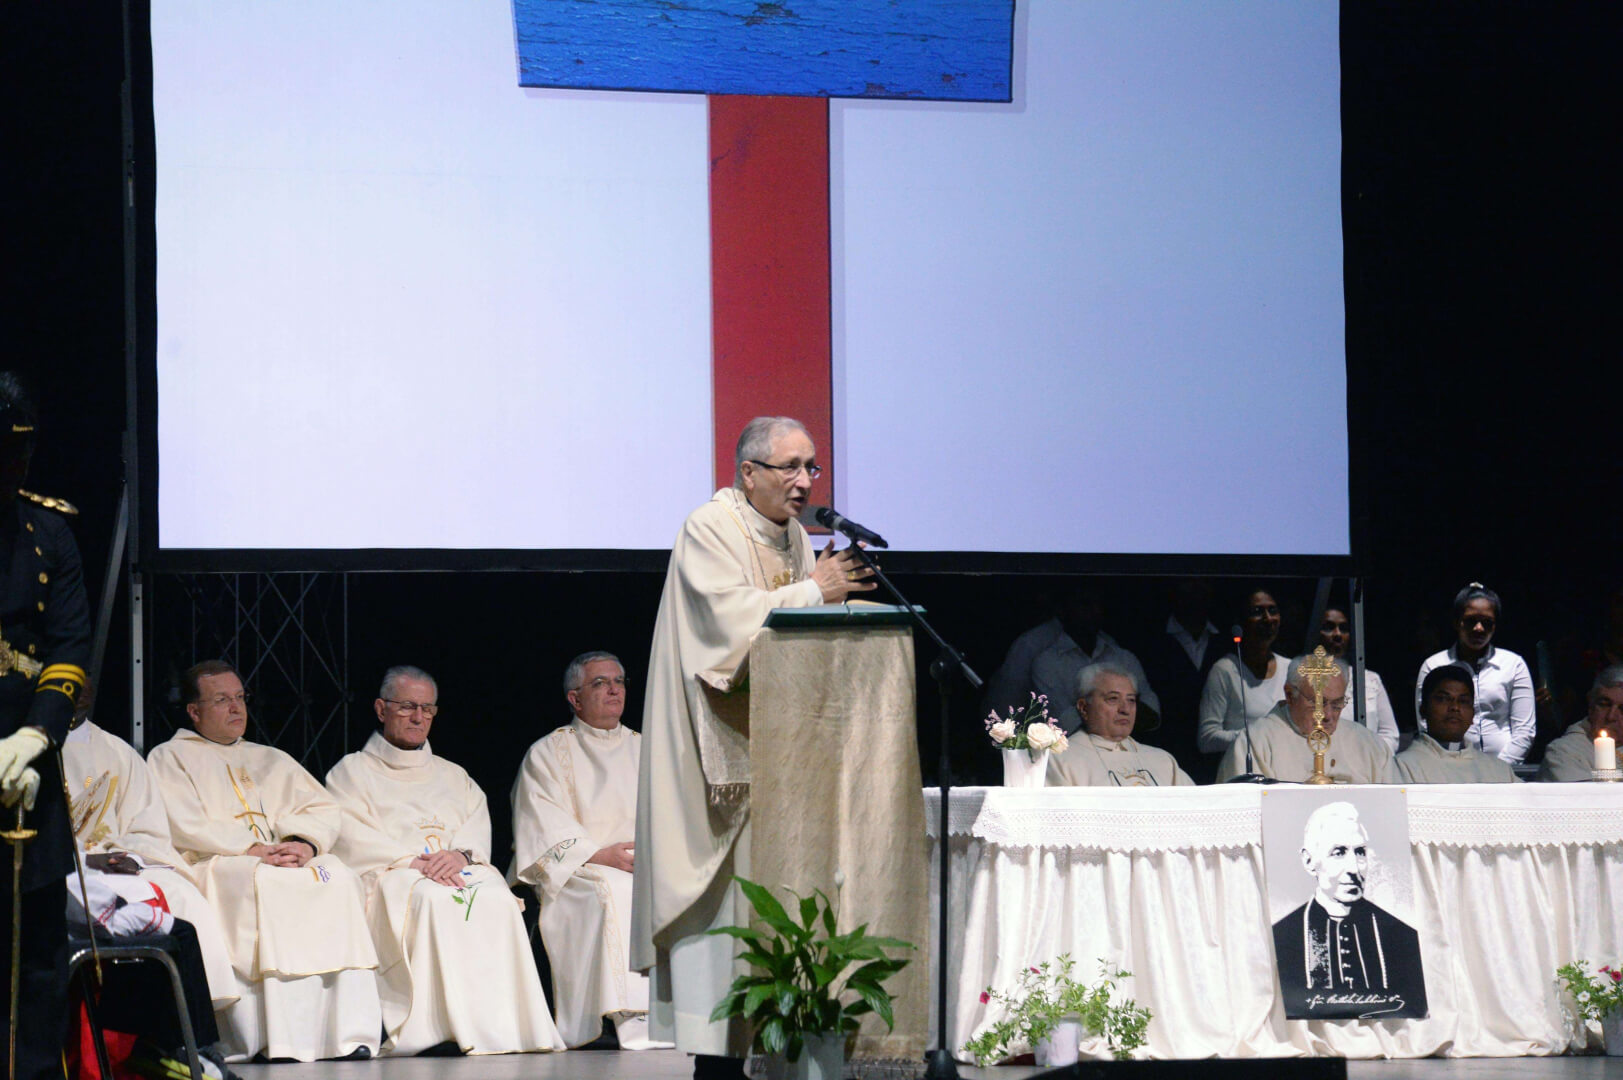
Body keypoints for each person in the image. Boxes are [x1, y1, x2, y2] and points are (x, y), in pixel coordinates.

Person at [630, 416, 875, 1078]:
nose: (804, 482)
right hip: (715, 748)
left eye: (810, 467)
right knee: (725, 910)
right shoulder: (709, 527)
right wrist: (816, 590)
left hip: (779, 748)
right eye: (789, 467)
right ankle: (715, 1059)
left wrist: (827, 601)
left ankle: (777, 1045)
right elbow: (723, 623)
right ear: (748, 472)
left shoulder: (794, 535)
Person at [147, 660, 381, 1062]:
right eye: (222, 700)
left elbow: (322, 808)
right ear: (194, 711)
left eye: (240, 697)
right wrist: (251, 849)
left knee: (337, 876)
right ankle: (278, 1038)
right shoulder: (169, 758)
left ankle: (345, 1034)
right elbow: (181, 823)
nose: (236, 707)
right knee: (268, 882)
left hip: (281, 855)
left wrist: (301, 843)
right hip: (220, 861)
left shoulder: (270, 758)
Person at [325, 666, 563, 1056]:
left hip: (454, 868)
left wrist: (459, 854)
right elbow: (350, 832)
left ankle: (505, 1026)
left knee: (497, 897)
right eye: (407, 707)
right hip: (394, 873)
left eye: (427, 709)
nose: (418, 717)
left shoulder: (453, 775)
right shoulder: (351, 772)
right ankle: (436, 1027)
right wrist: (412, 862)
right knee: (432, 899)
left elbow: (475, 826)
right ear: (381, 709)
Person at [0, 372, 91, 1079]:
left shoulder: (49, 530)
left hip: (26, 762)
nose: (17, 466)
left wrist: (35, 737)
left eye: (23, 452)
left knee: (36, 954)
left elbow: (67, 647)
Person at [510, 652, 670, 1050]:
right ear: (575, 698)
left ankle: (675, 1013)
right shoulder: (548, 752)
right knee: (615, 889)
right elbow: (540, 821)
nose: (614, 689)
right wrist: (599, 855)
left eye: (618, 681)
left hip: (646, 863)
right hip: (580, 868)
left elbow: (672, 810)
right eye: (600, 683)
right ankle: (630, 1016)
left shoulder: (648, 748)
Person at [61, 679, 240, 1009]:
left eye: (86, 678)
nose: (82, 687)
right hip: (65, 870)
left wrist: (129, 857)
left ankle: (195, 1014)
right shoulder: (23, 745)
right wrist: (86, 860)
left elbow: (147, 825)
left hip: (118, 862)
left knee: (184, 897)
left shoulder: (116, 751)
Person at [1271, 802, 1426, 1018]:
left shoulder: (1402, 936)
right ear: (1309, 861)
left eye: (1360, 852)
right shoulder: (1282, 936)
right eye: (1339, 853)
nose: (1354, 868)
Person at [1216, 654, 1398, 784]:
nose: (1327, 715)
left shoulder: (1369, 746)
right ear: (1289, 695)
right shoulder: (1255, 743)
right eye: (1317, 703)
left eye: (1337, 704)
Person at [1003, 586, 1160, 734]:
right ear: (1062, 610)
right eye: (1085, 604)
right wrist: (1124, 710)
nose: (1094, 611)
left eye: (1098, 604)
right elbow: (1065, 723)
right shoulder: (1047, 663)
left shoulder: (1124, 658)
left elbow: (1151, 715)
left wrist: (1091, 711)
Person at [1413, 583, 1534, 763]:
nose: (1479, 628)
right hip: (1449, 768)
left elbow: (1524, 731)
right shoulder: (1434, 665)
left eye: (1487, 622)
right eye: (1471, 621)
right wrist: (1451, 766)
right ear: (1457, 622)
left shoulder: (1513, 665)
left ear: (1495, 626)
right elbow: (1426, 724)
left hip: (1506, 770)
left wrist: (1498, 769)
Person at [1048, 663, 1192, 787]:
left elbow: (1197, 805)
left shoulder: (1163, 760)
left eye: (1131, 700)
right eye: (1113, 699)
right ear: (1084, 707)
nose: (1125, 709)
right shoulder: (1061, 760)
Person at [1137, 578, 1223, 776]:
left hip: (1213, 753)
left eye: (1201, 587)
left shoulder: (1225, 640)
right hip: (1167, 748)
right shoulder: (1150, 640)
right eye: (1189, 587)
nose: (1195, 594)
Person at [1197, 589, 1290, 766]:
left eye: (1272, 610)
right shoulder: (1225, 670)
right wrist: (1257, 736)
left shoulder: (1290, 668)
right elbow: (1207, 739)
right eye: (1257, 612)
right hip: (1242, 770)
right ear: (1241, 622)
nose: (1267, 618)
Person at [1396, 665, 1519, 783]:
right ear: (1423, 710)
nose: (1455, 707)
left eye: (1463, 701)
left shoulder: (1499, 771)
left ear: (1473, 714)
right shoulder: (1403, 766)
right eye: (1443, 699)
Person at [1317, 606, 1400, 752]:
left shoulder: (1370, 679)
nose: (1337, 634)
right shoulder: (1304, 678)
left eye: (1343, 629)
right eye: (1329, 628)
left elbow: (1390, 734)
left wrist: (1369, 757)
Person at [1536, 664, 1623, 782]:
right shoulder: (1564, 752)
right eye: (1604, 705)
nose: (1611, 716)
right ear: (1590, 704)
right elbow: (1585, 794)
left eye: (1622, 709)